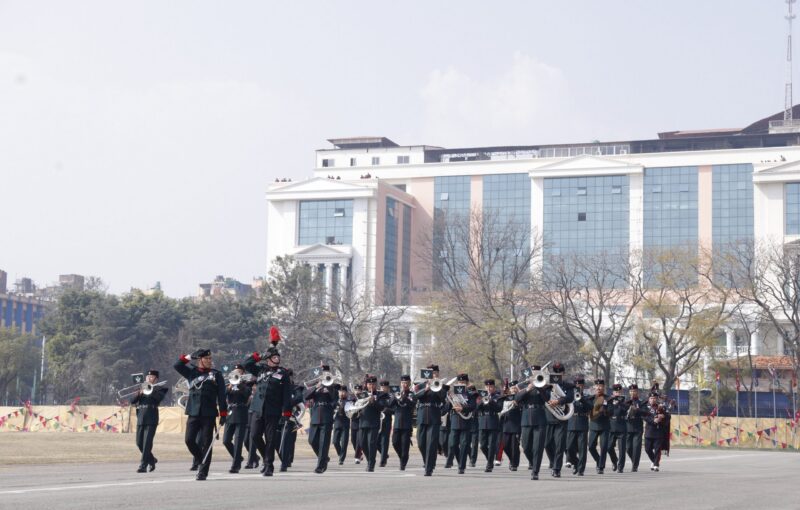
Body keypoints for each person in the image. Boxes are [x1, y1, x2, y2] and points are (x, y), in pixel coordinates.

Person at [242, 329, 292, 478]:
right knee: (255, 435)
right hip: (258, 408)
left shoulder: (283, 374)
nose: (277, 359)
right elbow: (247, 364)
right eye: (274, 356)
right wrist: (259, 356)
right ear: (268, 359)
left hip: (273, 410)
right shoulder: (261, 370)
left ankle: (269, 465)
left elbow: (286, 395)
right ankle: (266, 458)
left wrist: (286, 412)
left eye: (278, 356)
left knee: (270, 438)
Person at [174, 349, 228, 481]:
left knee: (206, 443)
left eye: (210, 359)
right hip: (193, 412)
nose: (210, 361)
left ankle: (203, 472)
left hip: (208, 414)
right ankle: (200, 459)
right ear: (200, 360)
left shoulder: (216, 375)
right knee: (189, 440)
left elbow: (221, 396)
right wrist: (189, 356)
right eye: (207, 359)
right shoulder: (192, 373)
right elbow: (177, 365)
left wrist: (223, 413)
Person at [130, 369, 168, 473]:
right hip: (141, 417)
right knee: (139, 443)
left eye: (151, 377)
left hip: (151, 417)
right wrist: (139, 393)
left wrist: (149, 389)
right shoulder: (141, 388)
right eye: (147, 377)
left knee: (147, 443)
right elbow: (132, 401)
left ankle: (143, 465)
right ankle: (152, 459)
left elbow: (158, 399)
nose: (149, 378)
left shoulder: (160, 389)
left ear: (156, 379)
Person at [304, 364, 339, 474]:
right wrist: (316, 386)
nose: (325, 375)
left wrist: (329, 387)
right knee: (312, 440)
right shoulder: (317, 386)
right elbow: (306, 396)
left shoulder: (333, 387)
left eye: (327, 373)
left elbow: (334, 399)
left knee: (324, 443)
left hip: (326, 416)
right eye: (323, 373)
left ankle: (320, 466)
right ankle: (324, 458)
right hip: (315, 416)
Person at [515, 366, 548, 480]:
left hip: (539, 419)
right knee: (525, 447)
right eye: (532, 373)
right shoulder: (522, 386)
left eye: (536, 373)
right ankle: (533, 463)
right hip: (526, 419)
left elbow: (547, 399)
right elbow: (517, 398)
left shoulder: (543, 385)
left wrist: (539, 387)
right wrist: (528, 389)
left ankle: (535, 471)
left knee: (538, 447)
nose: (533, 375)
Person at [543, 362, 574, 478]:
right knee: (546, 443)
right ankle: (553, 461)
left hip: (561, 419)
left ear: (563, 373)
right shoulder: (547, 385)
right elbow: (543, 397)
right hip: (549, 418)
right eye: (555, 372)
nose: (557, 374)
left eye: (559, 372)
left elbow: (570, 397)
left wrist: (558, 401)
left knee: (560, 445)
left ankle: (557, 469)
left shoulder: (569, 386)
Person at [414, 364, 446, 476]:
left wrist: (437, 386)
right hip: (422, 416)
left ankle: (428, 468)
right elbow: (415, 396)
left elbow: (443, 398)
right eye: (431, 373)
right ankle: (428, 462)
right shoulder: (419, 385)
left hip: (434, 416)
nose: (433, 375)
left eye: (435, 373)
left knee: (431, 444)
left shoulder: (441, 386)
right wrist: (426, 388)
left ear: (438, 374)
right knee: (421, 443)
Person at [222, 364, 251, 473]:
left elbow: (247, 394)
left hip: (241, 413)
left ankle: (236, 465)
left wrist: (240, 384)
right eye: (235, 372)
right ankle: (238, 458)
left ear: (243, 373)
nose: (236, 373)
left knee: (238, 441)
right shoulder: (229, 383)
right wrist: (229, 386)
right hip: (230, 414)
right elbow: (222, 395)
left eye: (239, 371)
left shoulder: (246, 384)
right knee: (226, 441)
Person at [446, 374, 476, 474]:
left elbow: (473, 406)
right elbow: (446, 408)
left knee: (464, 444)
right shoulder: (453, 394)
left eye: (463, 383)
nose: (461, 384)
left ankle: (461, 466)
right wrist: (448, 399)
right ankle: (460, 461)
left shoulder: (470, 394)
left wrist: (462, 408)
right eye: (460, 383)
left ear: (467, 384)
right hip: (454, 421)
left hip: (466, 422)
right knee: (452, 444)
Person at [358, 375, 389, 472]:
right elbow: (358, 405)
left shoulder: (381, 395)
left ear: (376, 385)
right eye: (369, 384)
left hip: (374, 423)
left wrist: (374, 401)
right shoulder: (362, 394)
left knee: (371, 444)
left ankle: (371, 464)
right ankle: (370, 460)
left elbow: (381, 407)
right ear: (366, 385)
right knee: (363, 444)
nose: (371, 386)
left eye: (373, 384)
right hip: (363, 422)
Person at [565, 376, 591, 476]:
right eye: (576, 385)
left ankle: (581, 469)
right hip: (571, 423)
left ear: (583, 386)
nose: (578, 387)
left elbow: (590, 407)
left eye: (580, 385)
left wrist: (582, 398)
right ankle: (576, 463)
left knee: (582, 449)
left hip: (582, 423)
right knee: (569, 447)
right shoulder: (570, 397)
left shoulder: (587, 396)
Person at [389, 375, 415, 470]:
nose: (404, 385)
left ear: (409, 384)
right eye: (403, 383)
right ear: (400, 383)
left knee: (405, 446)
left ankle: (403, 463)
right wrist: (395, 397)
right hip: (397, 423)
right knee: (395, 443)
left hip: (407, 424)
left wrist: (404, 397)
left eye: (406, 383)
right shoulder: (396, 393)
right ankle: (403, 457)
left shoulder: (411, 394)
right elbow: (390, 404)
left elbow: (412, 404)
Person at [477, 379, 502, 472]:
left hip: (493, 421)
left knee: (491, 445)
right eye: (487, 387)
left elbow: (499, 408)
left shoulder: (498, 397)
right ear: (484, 387)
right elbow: (477, 409)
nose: (489, 388)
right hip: (483, 422)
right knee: (483, 445)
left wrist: (490, 401)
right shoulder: (480, 397)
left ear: (494, 387)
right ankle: (490, 460)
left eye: (490, 387)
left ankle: (489, 465)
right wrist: (482, 401)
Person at [588, 379, 611, 474]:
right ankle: (598, 460)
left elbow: (611, 412)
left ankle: (601, 467)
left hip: (604, 425)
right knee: (591, 447)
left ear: (603, 387)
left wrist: (605, 410)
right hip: (593, 425)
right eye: (597, 386)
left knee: (604, 447)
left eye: (600, 386)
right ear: (594, 387)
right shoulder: (590, 398)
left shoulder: (608, 398)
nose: (598, 387)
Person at [643, 390, 670, 472]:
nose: (653, 400)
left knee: (657, 449)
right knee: (647, 449)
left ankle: (656, 464)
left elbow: (668, 416)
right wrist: (654, 420)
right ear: (649, 399)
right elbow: (645, 417)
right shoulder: (646, 407)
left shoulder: (661, 407)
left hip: (658, 432)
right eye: (651, 398)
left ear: (657, 399)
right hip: (649, 432)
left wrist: (663, 416)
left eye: (654, 398)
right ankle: (654, 461)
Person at [607, 383, 627, 473]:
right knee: (609, 447)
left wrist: (620, 403)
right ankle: (615, 460)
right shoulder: (609, 400)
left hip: (622, 426)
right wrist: (612, 403)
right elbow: (608, 411)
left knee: (622, 449)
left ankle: (620, 467)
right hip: (611, 426)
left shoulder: (624, 400)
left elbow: (626, 410)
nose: (617, 393)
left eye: (619, 392)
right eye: (616, 392)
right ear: (613, 392)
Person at [625, 384, 644, 472]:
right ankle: (634, 461)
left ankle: (635, 465)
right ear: (629, 392)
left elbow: (645, 412)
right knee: (628, 448)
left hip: (637, 427)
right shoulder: (626, 401)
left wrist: (637, 410)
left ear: (637, 392)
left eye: (634, 391)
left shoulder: (641, 402)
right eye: (631, 391)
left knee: (636, 447)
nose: (633, 393)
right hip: (628, 427)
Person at [332, 385, 351, 465]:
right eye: (340, 392)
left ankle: (341, 459)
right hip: (337, 423)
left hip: (345, 423)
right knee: (335, 441)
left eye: (344, 392)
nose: (342, 393)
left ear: (346, 393)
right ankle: (340, 454)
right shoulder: (335, 400)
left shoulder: (349, 401)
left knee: (344, 442)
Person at [378, 380, 393, 467]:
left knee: (384, 441)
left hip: (387, 420)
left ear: (388, 388)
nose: (383, 389)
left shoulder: (391, 396)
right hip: (377, 420)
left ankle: (383, 460)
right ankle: (385, 455)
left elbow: (395, 409)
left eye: (385, 387)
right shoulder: (378, 396)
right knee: (375, 441)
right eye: (382, 387)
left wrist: (388, 410)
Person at [350, 384, 364, 464]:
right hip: (354, 421)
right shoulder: (352, 398)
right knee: (353, 440)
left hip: (361, 421)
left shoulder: (364, 398)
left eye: (359, 390)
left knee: (359, 440)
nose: (357, 392)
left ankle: (357, 457)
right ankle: (360, 453)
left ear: (361, 391)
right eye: (356, 390)